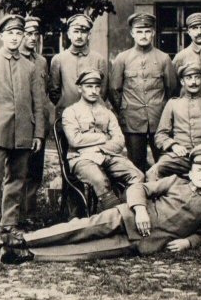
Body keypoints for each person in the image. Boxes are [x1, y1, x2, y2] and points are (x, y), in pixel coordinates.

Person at [0, 149, 201, 264]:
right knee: (82, 228)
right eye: (198, 170)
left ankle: (26, 254)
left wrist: (188, 241)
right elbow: (139, 188)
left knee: (89, 251)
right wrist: (140, 209)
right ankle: (23, 239)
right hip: (126, 216)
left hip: (146, 240)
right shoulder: (175, 181)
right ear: (191, 172)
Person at [0, 14, 46, 246]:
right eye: (10, 33)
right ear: (2, 36)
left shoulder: (31, 67)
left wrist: (38, 133)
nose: (15, 38)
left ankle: (9, 224)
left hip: (24, 130)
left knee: (17, 178)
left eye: (18, 33)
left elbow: (38, 103)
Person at [147, 63, 201, 201]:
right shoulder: (173, 104)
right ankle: (160, 209)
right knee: (153, 172)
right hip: (180, 156)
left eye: (197, 77)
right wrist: (174, 145)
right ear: (182, 81)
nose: (193, 82)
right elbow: (160, 135)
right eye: (189, 78)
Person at [61, 69, 145, 211]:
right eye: (89, 86)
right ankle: (113, 217)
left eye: (97, 86)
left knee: (137, 175)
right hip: (81, 159)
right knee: (100, 180)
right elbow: (74, 140)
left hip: (108, 155)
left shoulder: (107, 112)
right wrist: (102, 137)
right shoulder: (71, 112)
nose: (94, 91)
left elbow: (119, 141)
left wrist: (100, 148)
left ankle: (129, 209)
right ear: (80, 88)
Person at [109, 12, 177, 172]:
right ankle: (138, 195)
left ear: (153, 32)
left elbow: (172, 89)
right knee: (135, 165)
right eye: (139, 31)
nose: (143, 35)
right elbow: (114, 90)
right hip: (132, 120)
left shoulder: (163, 58)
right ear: (132, 33)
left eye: (147, 31)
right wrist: (124, 110)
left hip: (159, 120)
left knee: (164, 164)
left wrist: (166, 114)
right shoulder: (122, 58)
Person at [17, 16, 49, 227]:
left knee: (35, 170)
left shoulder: (42, 62)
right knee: (18, 170)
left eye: (35, 34)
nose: (32, 38)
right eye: (27, 34)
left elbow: (46, 94)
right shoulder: (14, 59)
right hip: (19, 123)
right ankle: (15, 213)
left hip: (39, 122)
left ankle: (30, 211)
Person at [48, 13, 108, 121]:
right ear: (69, 34)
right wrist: (64, 103)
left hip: (93, 117)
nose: (79, 36)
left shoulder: (99, 59)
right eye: (75, 32)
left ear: (89, 35)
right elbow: (54, 91)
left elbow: (103, 91)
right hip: (65, 116)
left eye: (83, 32)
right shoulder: (58, 59)